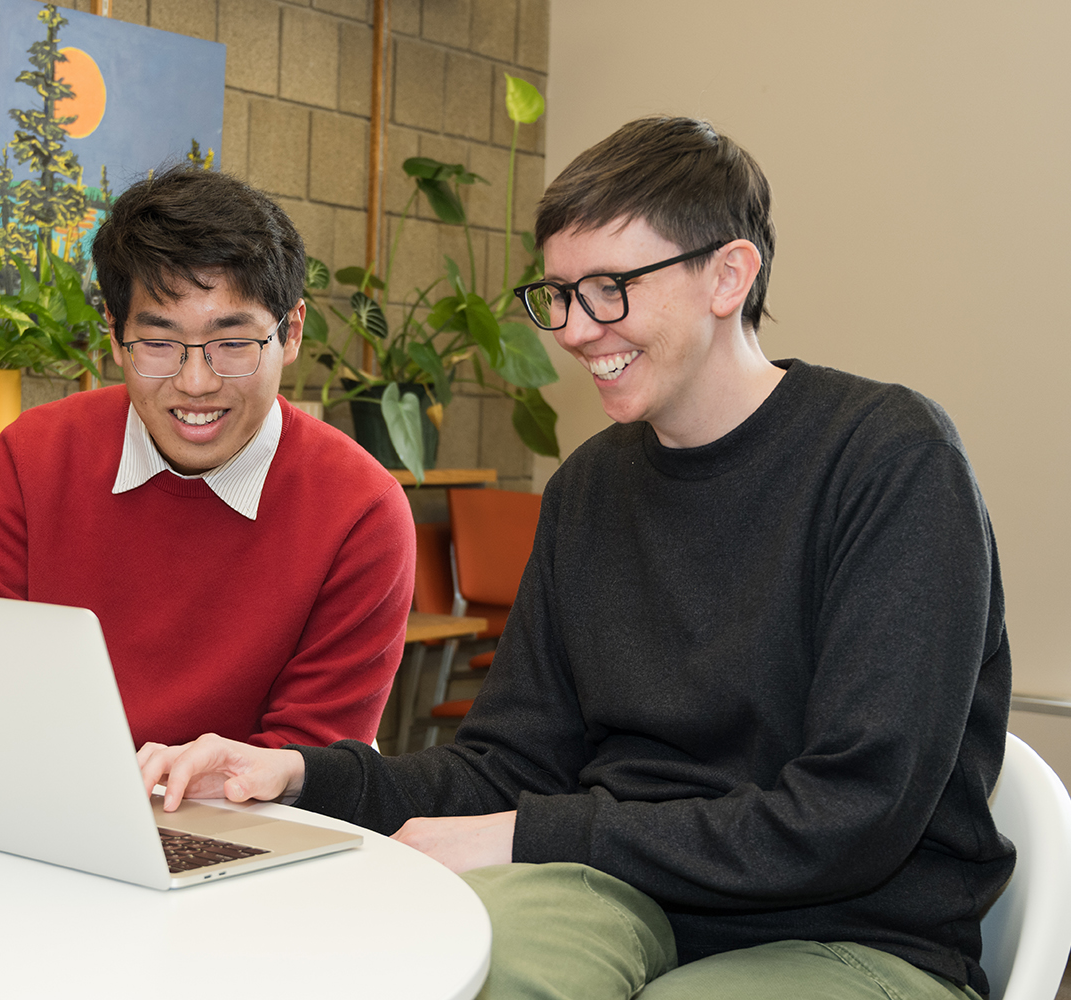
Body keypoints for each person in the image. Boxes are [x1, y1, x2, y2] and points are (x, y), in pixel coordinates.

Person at [138, 117, 1015, 1000]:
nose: (574, 329)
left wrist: (526, 836)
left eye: (609, 289)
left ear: (728, 275)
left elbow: (852, 814)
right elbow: (506, 766)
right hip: (618, 893)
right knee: (424, 968)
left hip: (849, 930)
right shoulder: (591, 487)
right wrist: (295, 774)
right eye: (558, 293)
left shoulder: (891, 460)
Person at [0, 165, 416, 751]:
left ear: (291, 332)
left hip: (247, 807)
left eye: (233, 343)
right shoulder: (31, 460)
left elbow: (312, 758)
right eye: (159, 343)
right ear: (115, 336)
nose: (196, 383)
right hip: (49, 788)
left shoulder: (361, 511)